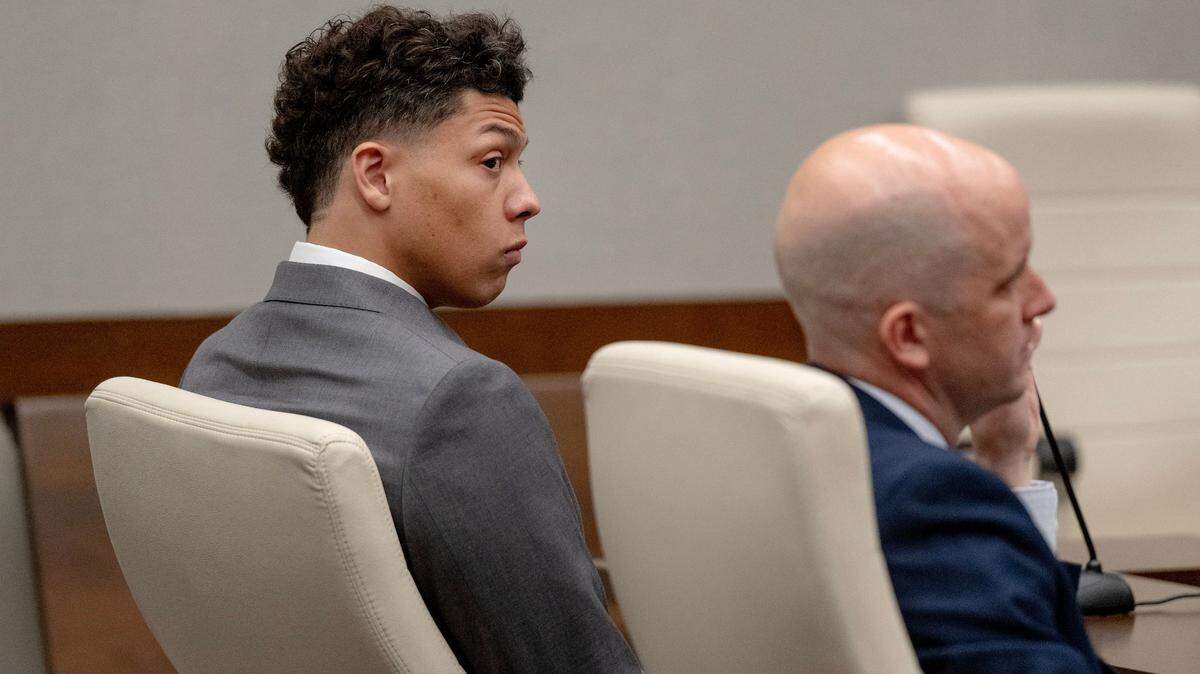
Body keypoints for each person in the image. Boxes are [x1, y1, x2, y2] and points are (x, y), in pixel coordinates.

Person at [180, 7, 638, 672]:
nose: (526, 198)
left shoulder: (216, 366)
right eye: (491, 161)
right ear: (375, 175)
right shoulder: (462, 402)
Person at [773, 124, 1107, 672]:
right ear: (907, 336)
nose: (1043, 300)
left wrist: (1004, 463)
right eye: (1009, 281)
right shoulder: (929, 503)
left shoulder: (784, 449)